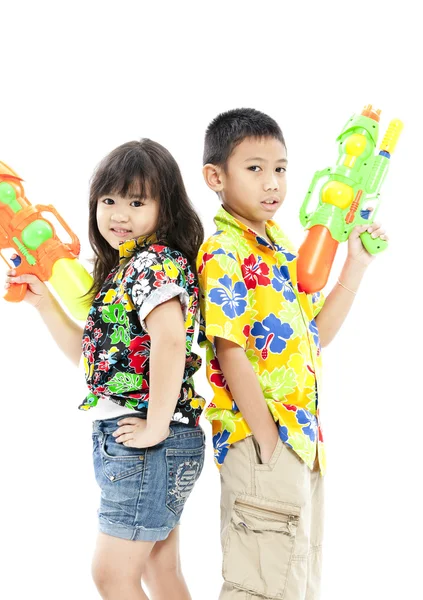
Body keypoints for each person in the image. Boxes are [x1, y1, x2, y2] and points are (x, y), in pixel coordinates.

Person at [197, 108, 388, 600]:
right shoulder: (223, 250)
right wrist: (267, 439)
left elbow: (316, 334)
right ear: (216, 176)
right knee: (257, 586)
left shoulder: (282, 250)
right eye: (255, 168)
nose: (272, 183)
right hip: (264, 440)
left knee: (296, 582)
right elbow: (228, 347)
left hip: (303, 443)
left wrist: (357, 264)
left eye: (280, 168)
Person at [5, 139, 206, 600]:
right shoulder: (126, 268)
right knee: (160, 571)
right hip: (153, 439)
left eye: (137, 202)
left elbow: (171, 340)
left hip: (148, 443)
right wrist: (44, 304)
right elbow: (93, 358)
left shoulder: (153, 264)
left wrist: (155, 427)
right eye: (109, 200)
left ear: (166, 207)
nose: (119, 213)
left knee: (112, 577)